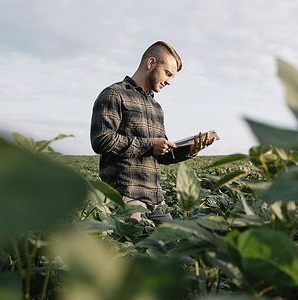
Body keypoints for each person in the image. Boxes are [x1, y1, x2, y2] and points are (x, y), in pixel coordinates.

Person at [90, 40, 214, 224]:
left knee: (174, 242)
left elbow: (161, 155)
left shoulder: (156, 108)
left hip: (156, 200)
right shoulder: (114, 94)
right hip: (125, 197)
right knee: (131, 251)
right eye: (168, 73)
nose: (169, 81)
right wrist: (149, 145)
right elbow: (102, 140)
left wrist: (191, 149)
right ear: (151, 63)